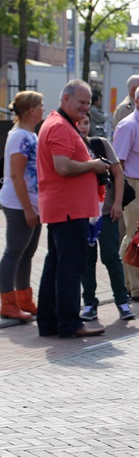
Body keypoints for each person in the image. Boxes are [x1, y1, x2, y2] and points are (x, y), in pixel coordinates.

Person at [36, 80, 110, 337]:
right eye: (81, 102)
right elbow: (63, 167)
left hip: (65, 207)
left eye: (89, 103)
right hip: (69, 209)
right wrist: (94, 166)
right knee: (70, 267)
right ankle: (69, 323)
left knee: (56, 265)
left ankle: (49, 322)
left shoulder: (61, 124)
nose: (86, 107)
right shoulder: (59, 126)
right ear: (65, 98)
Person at [75, 114, 134, 321]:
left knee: (111, 256)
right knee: (86, 260)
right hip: (82, 214)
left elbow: (118, 173)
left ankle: (122, 302)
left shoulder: (100, 144)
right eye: (78, 123)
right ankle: (90, 303)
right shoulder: (69, 149)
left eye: (86, 122)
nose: (82, 127)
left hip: (106, 212)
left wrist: (117, 203)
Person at [0, 91, 44, 321]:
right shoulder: (20, 137)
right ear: (31, 110)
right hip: (19, 204)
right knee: (14, 252)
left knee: (27, 253)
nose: (43, 109)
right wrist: (27, 208)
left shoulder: (29, 134)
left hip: (31, 204)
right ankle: (7, 302)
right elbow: (17, 176)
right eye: (40, 105)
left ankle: (24, 299)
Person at [112, 83, 139, 302]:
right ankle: (137, 287)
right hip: (135, 184)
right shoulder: (128, 125)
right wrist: (120, 194)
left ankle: (129, 283)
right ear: (135, 101)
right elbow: (117, 162)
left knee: (136, 235)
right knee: (136, 236)